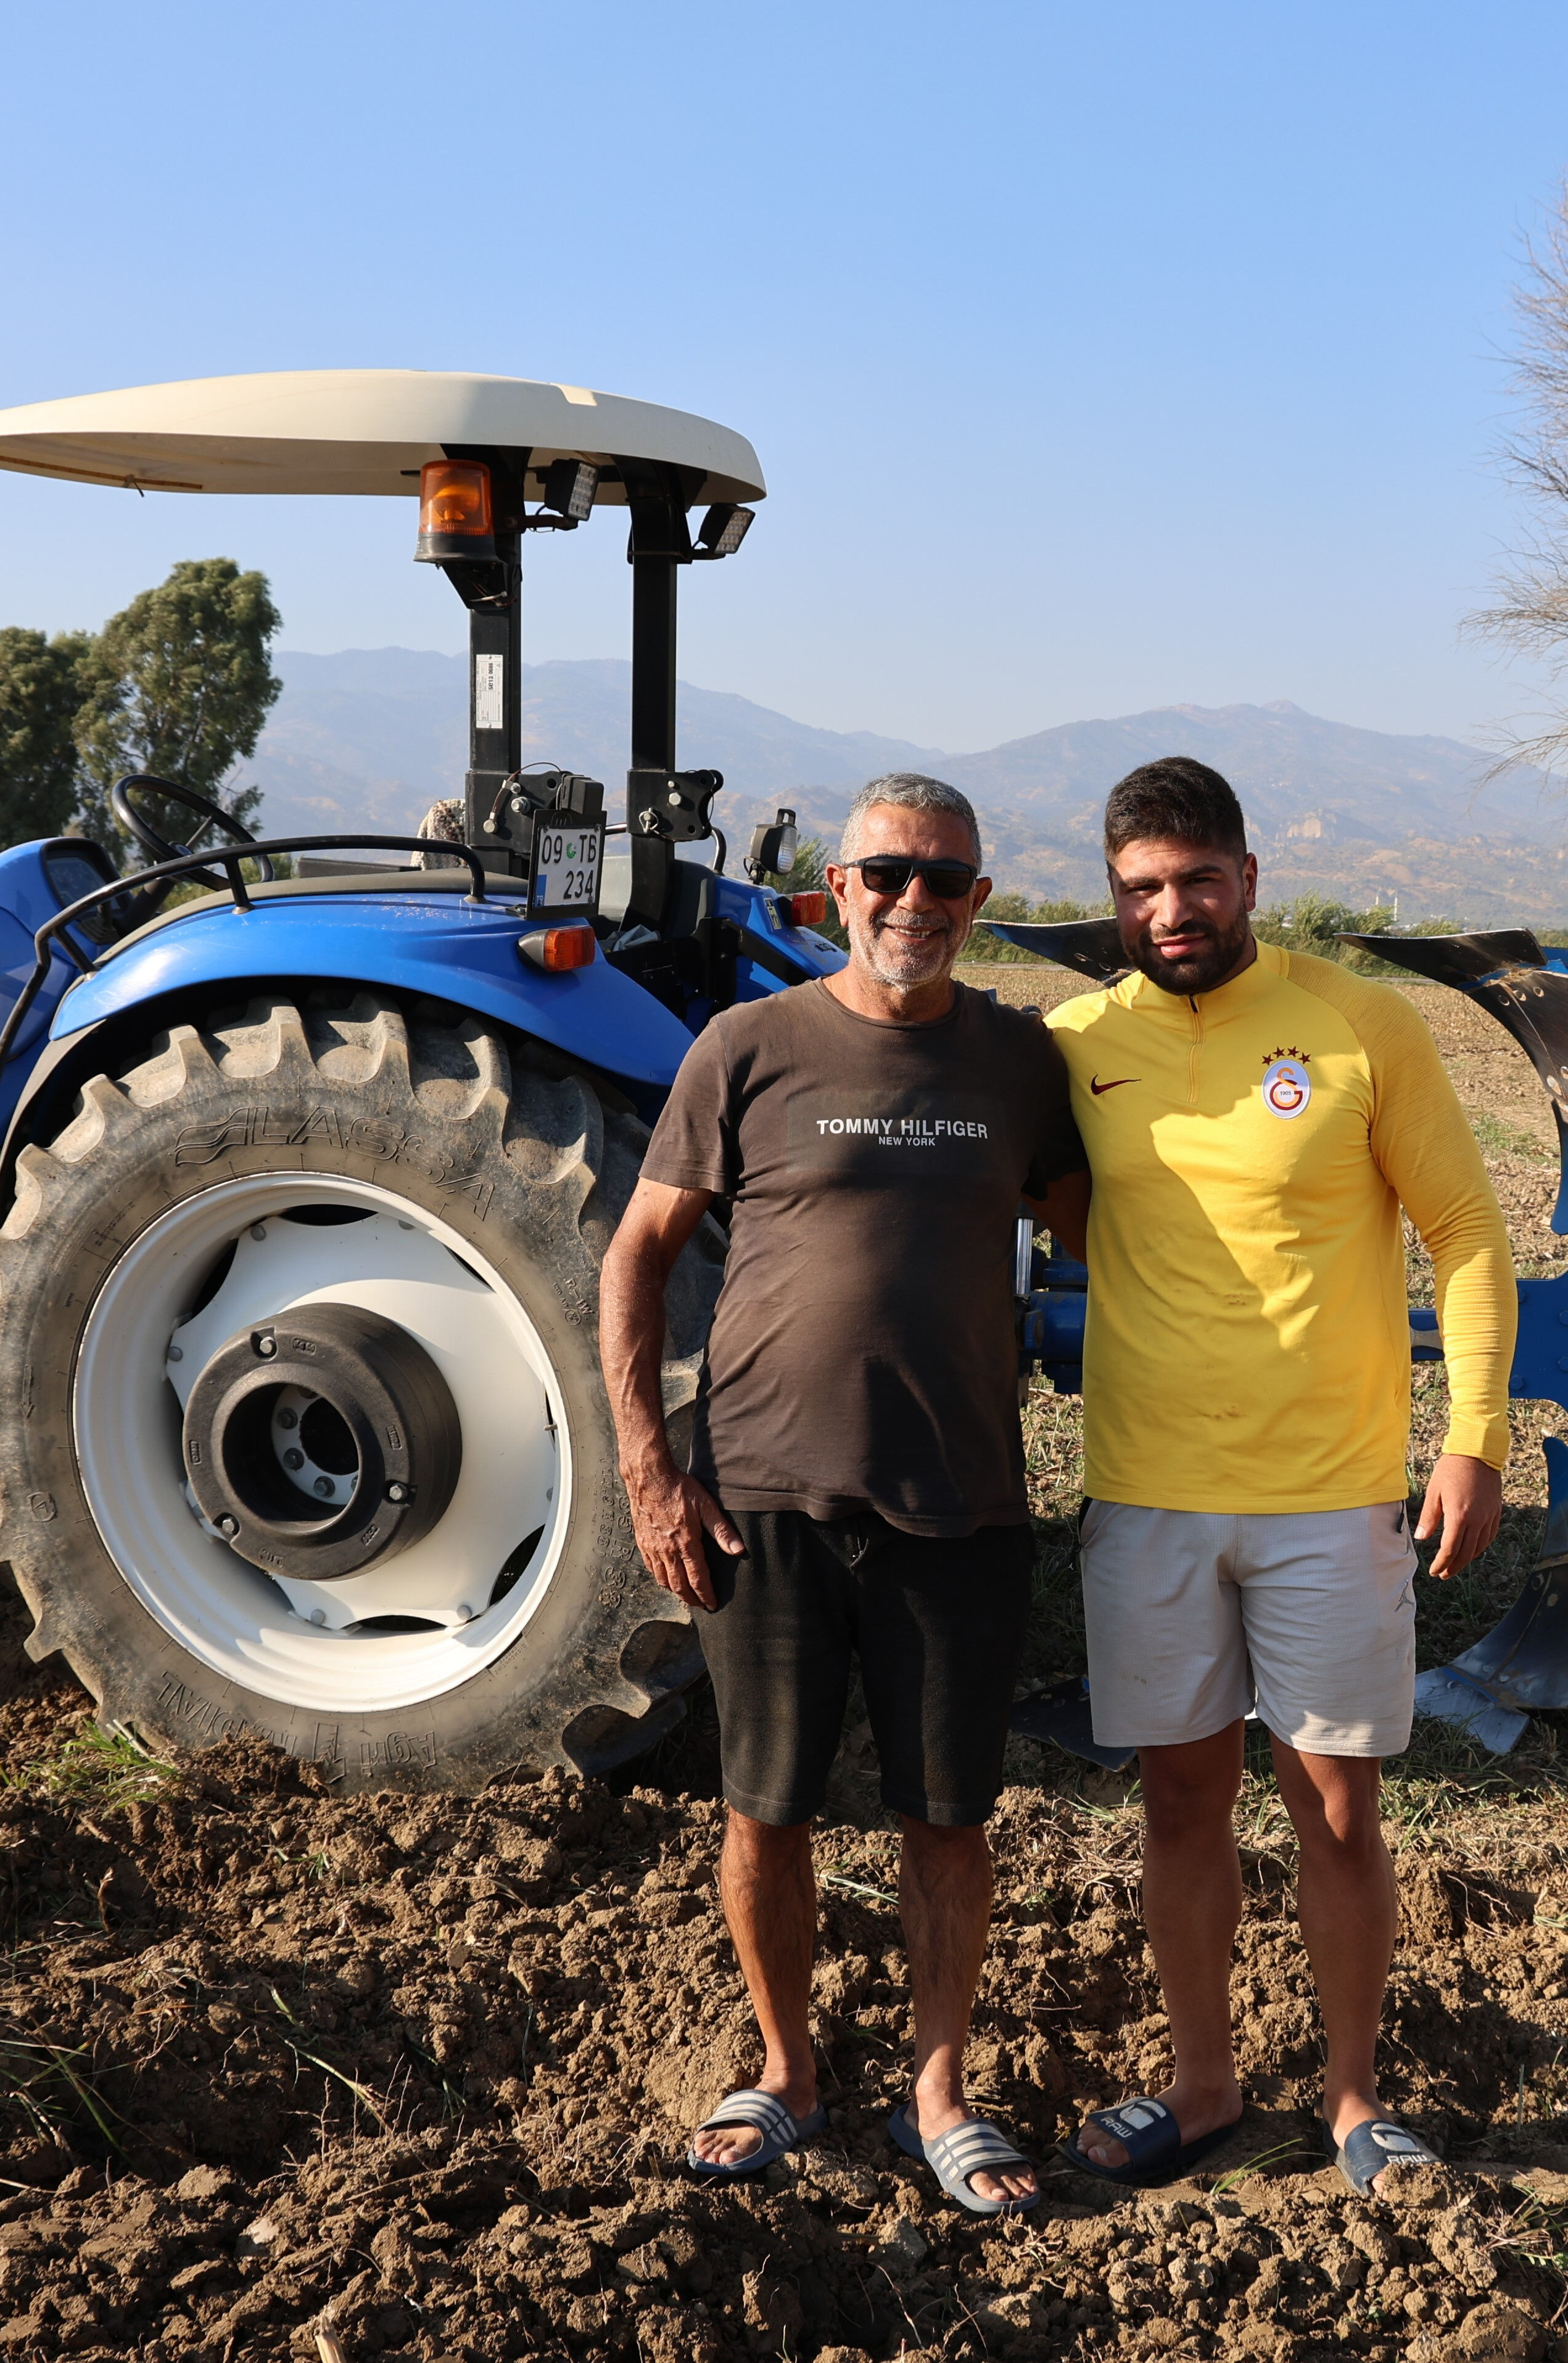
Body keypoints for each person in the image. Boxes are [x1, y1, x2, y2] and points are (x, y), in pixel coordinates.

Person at [598, 771, 1087, 2217]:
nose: (914, 903)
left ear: (978, 903)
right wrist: (648, 1464)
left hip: (961, 1495)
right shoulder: (749, 1045)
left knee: (948, 1818)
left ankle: (939, 2089)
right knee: (766, 1807)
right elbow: (637, 1250)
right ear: (836, 888)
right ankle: (789, 2066)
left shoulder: (1017, 1060)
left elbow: (1110, 1228)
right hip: (765, 1496)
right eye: (888, 874)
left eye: (945, 881)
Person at [1046, 756, 1512, 2200]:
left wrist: (1476, 1435)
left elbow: (1469, 1234)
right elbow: (1043, 1215)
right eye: (1141, 887)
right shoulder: (1077, 1042)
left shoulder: (1358, 1025)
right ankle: (1202, 2087)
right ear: (1113, 897)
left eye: (1196, 879)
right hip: (1148, 1497)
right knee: (1179, 1807)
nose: (1171, 909)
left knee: (1338, 1809)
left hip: (1330, 1496)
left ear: (1249, 877)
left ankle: (1357, 2098)